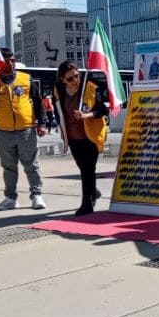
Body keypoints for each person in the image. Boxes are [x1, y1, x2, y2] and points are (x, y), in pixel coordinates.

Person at [0, 48, 47, 210]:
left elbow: (38, 101)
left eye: (12, 60)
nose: (10, 63)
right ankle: (10, 198)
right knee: (9, 167)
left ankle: (37, 195)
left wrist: (42, 123)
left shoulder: (25, 78)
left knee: (31, 165)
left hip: (26, 130)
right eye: (6, 61)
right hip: (4, 131)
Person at [53, 61, 109, 215]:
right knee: (83, 167)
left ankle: (87, 204)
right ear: (63, 79)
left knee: (88, 169)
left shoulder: (89, 88)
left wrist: (86, 115)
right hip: (72, 137)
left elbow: (102, 110)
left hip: (90, 135)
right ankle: (93, 191)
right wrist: (62, 128)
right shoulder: (58, 90)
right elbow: (58, 111)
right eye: (70, 78)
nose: (75, 80)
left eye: (77, 76)